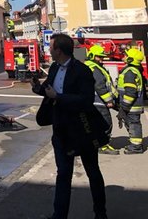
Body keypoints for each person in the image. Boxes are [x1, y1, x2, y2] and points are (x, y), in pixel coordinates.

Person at [32, 33, 108, 219]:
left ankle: (100, 213)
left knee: (93, 172)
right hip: (61, 130)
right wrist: (39, 88)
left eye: (51, 47)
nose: (48, 50)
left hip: (82, 128)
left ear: (59, 50)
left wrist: (58, 98)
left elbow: (86, 100)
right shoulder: (54, 68)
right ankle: (59, 215)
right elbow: (51, 91)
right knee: (63, 174)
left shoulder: (81, 71)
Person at [84, 44, 119, 154]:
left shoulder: (90, 66)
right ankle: (103, 146)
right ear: (93, 56)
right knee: (105, 124)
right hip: (98, 102)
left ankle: (95, 144)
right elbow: (100, 86)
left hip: (93, 101)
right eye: (99, 57)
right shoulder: (94, 68)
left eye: (102, 57)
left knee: (94, 125)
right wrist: (109, 100)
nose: (101, 59)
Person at [117, 47, 145, 154]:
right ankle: (134, 144)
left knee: (133, 124)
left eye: (126, 55)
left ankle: (136, 147)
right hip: (133, 106)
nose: (124, 56)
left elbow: (130, 93)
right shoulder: (134, 70)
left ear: (130, 59)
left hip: (131, 106)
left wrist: (124, 107)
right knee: (132, 124)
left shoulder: (129, 72)